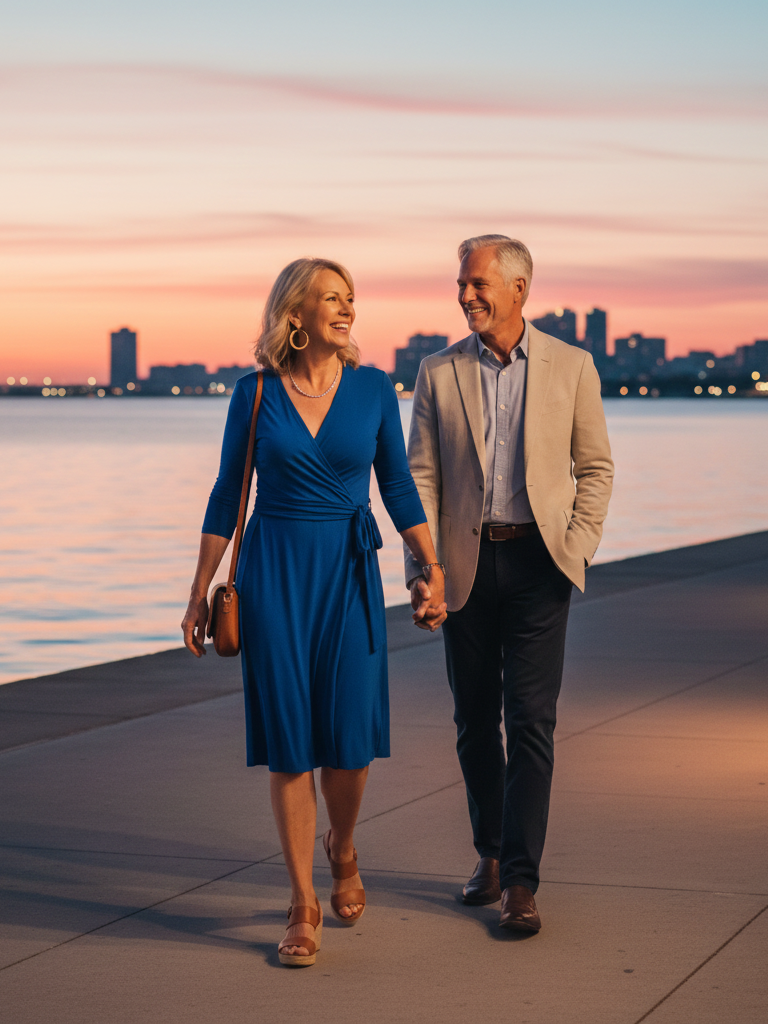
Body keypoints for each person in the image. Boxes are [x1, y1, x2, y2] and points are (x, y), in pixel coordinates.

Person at [182, 258, 446, 966]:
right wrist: (199, 590)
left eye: (351, 297)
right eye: (332, 297)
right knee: (291, 740)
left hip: (349, 572)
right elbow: (226, 493)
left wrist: (430, 564)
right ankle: (302, 901)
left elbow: (396, 483)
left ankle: (343, 844)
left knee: (350, 741)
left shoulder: (373, 389)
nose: (347, 307)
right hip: (274, 574)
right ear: (294, 314)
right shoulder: (255, 393)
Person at [405, 235, 613, 933]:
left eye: (477, 284)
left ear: (519, 289)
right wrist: (423, 570)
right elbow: (421, 479)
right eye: (461, 284)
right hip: (462, 566)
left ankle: (521, 881)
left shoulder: (571, 365)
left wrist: (575, 549)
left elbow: (596, 468)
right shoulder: (438, 372)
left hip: (538, 566)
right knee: (473, 721)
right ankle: (490, 854)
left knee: (531, 720)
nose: (465, 295)